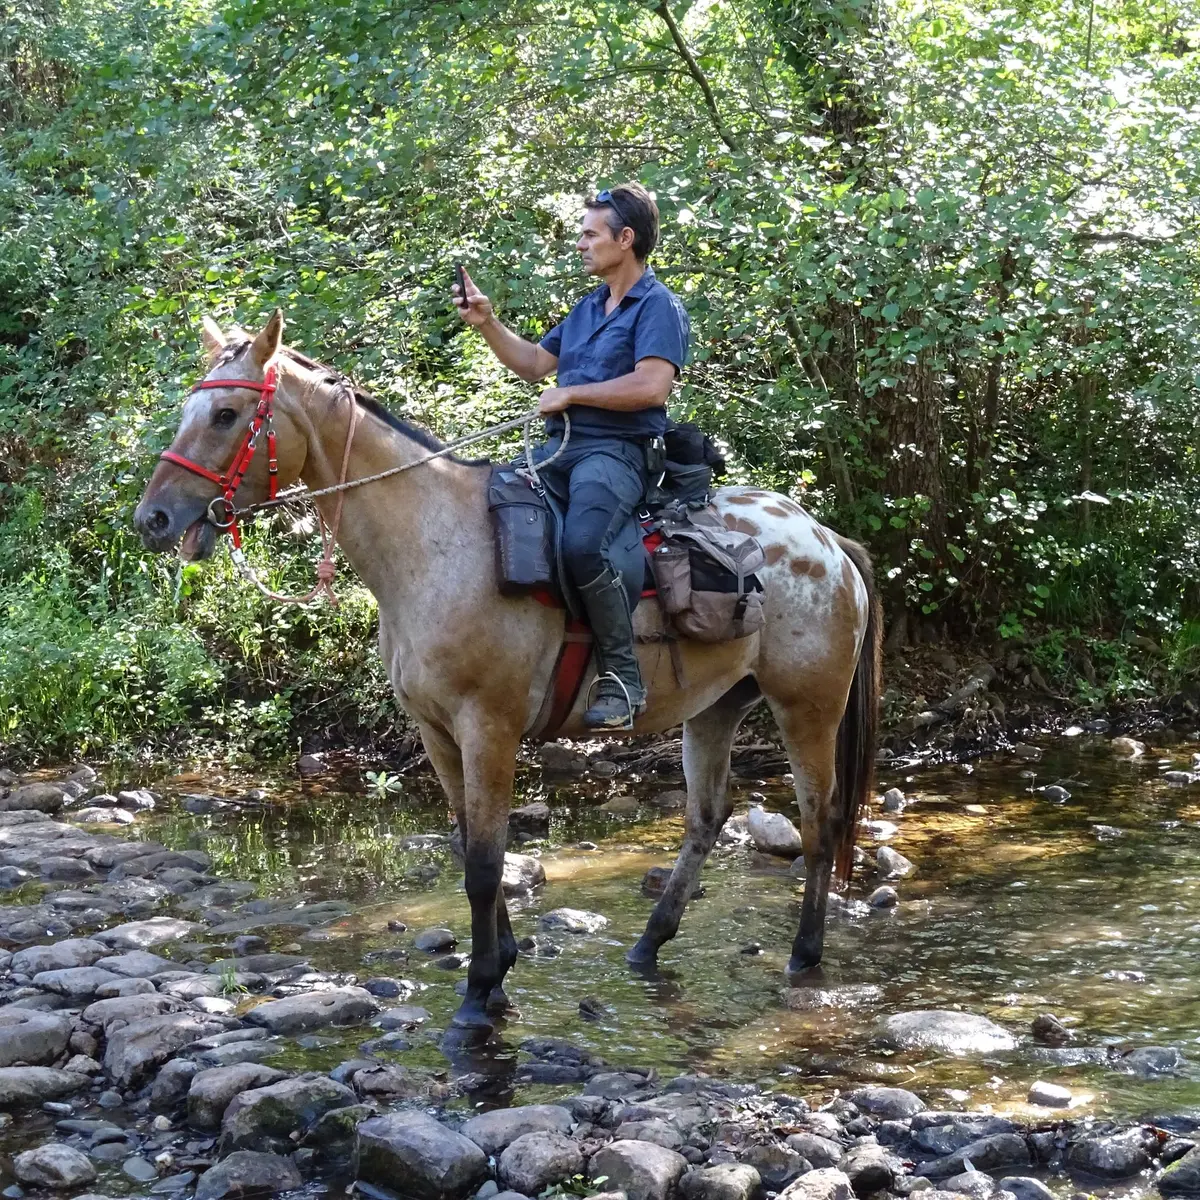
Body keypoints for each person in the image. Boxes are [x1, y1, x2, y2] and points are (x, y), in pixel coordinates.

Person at [453, 183, 691, 729]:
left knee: (585, 544)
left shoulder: (659, 306)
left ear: (625, 239)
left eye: (589, 234)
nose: (580, 244)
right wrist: (487, 321)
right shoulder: (589, 307)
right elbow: (536, 364)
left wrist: (574, 393)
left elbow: (653, 387)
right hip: (561, 449)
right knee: (490, 509)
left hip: (621, 452)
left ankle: (624, 678)